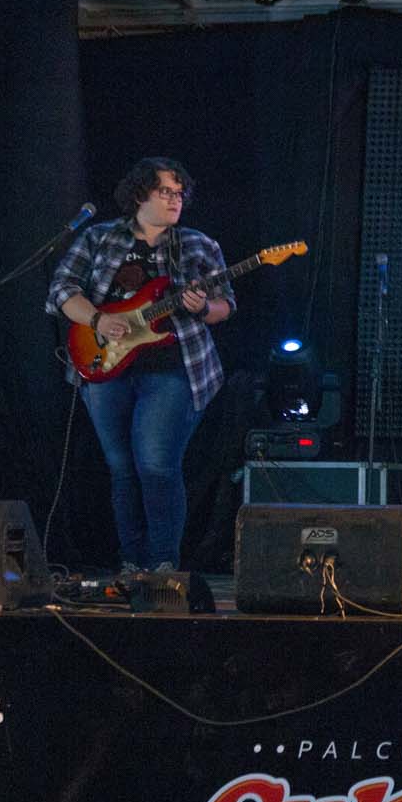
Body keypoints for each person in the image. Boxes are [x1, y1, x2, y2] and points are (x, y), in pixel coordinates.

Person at [47, 159, 235, 572]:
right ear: (139, 194)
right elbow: (61, 289)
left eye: (180, 193)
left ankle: (163, 563)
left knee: (155, 463)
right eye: (166, 191)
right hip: (105, 363)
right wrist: (97, 319)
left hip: (172, 367)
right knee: (121, 468)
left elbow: (226, 305)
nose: (175, 200)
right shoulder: (98, 237)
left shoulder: (199, 245)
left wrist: (203, 308)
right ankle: (132, 563)